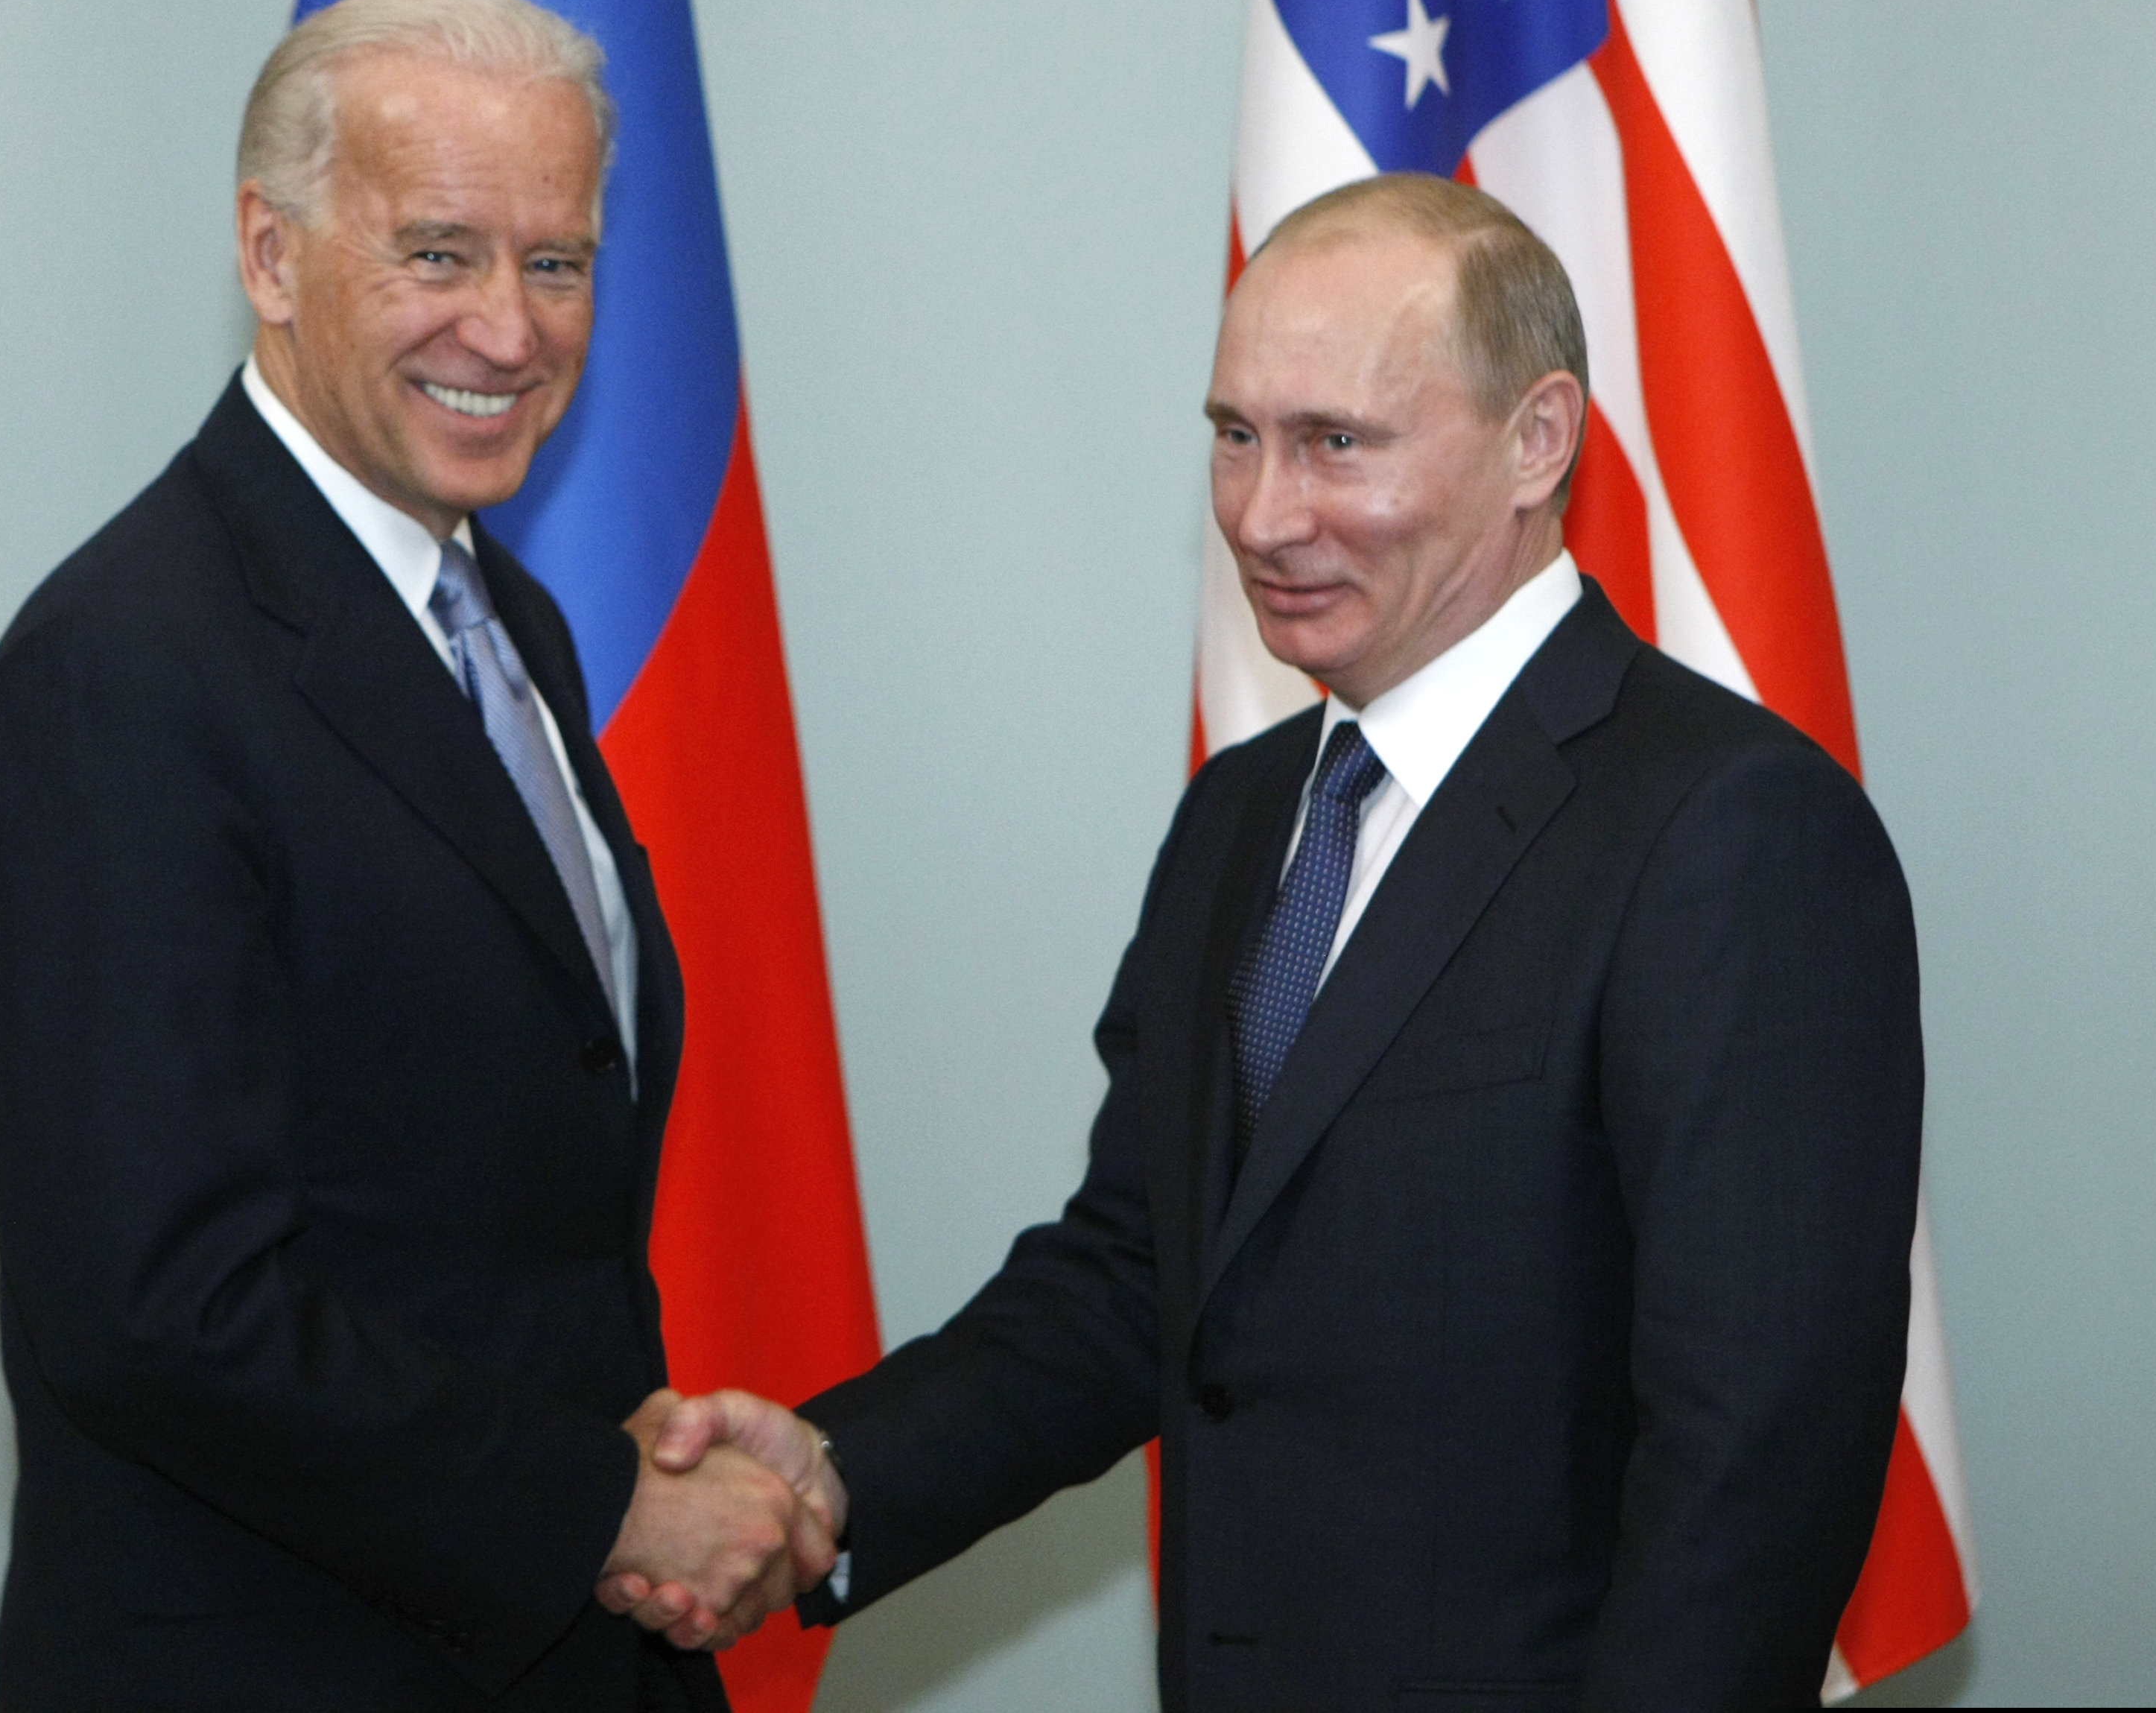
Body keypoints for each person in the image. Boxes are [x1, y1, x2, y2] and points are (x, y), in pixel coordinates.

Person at [617, 174, 1924, 1709]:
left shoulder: (1726, 830)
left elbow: (1752, 1458)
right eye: (1233, 434)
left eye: (1332, 444)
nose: (1258, 512)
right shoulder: (1247, 814)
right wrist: (832, 1470)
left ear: (1536, 439)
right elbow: (1142, 1272)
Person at [0, 0, 826, 1713]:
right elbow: (162, 1303)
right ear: (269, 256)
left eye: (554, 262)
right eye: (437, 252)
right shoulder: (118, 671)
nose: (506, 328)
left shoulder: (506, 622)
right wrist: (603, 1501)